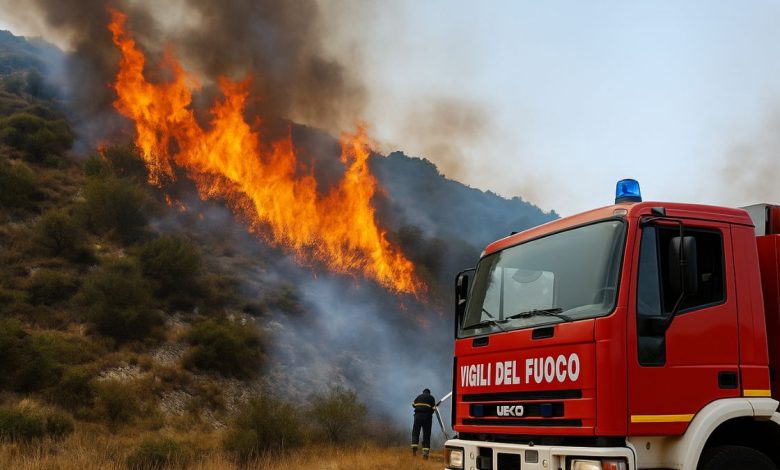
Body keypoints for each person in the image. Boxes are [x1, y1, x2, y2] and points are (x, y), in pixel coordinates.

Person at [411, 388, 436, 459]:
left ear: (423, 392)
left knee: (415, 433)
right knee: (426, 434)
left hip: (417, 417)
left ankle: (414, 451)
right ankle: (425, 454)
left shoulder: (418, 396)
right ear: (429, 393)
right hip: (427, 418)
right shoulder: (431, 397)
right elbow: (434, 408)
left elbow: (413, 405)